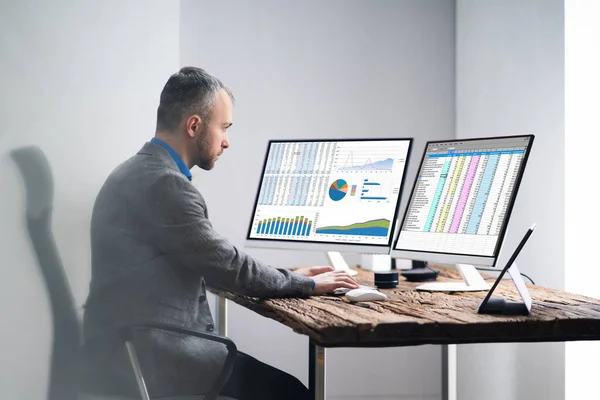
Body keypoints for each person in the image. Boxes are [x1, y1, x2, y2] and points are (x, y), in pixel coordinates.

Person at [82, 66, 359, 400]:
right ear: (195, 125)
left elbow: (210, 260)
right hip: (158, 356)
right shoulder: (165, 184)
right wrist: (309, 285)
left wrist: (293, 275)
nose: (226, 141)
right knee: (294, 394)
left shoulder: (137, 171)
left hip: (126, 349)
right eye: (223, 127)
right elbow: (230, 267)